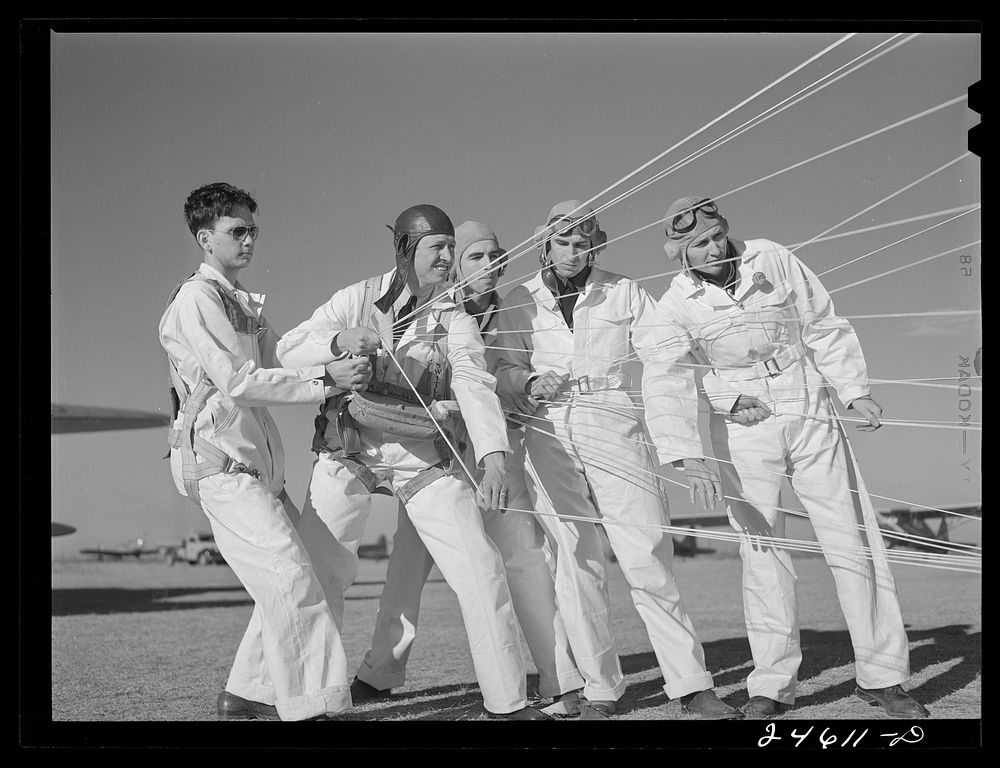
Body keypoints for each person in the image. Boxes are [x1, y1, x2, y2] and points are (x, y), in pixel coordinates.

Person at [656, 195, 929, 720]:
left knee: (850, 538)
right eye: (698, 245)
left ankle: (883, 677)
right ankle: (773, 685)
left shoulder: (771, 256)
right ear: (679, 254)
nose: (714, 249)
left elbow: (822, 320)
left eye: (716, 236)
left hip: (809, 404)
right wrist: (725, 402)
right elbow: (670, 374)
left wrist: (854, 390)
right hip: (742, 426)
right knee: (761, 552)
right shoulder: (673, 305)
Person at [276, 204, 550, 720]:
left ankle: (509, 704)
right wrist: (337, 342)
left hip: (422, 458)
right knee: (322, 572)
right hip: (350, 449)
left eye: (452, 247)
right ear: (404, 248)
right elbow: (289, 347)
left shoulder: (454, 316)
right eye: (437, 248)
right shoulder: (354, 298)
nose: (449, 258)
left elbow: (473, 380)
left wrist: (493, 457)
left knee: (481, 566)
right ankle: (284, 697)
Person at [493, 200, 740, 719]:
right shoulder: (518, 299)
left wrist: (681, 450)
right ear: (545, 244)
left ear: (596, 245)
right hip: (548, 429)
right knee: (575, 558)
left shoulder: (624, 290)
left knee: (646, 552)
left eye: (583, 242)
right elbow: (502, 366)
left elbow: (665, 355)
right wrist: (530, 381)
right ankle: (601, 687)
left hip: (615, 420)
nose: (573, 251)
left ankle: (692, 685)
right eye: (563, 242)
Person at [349, 221, 586, 717]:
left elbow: (499, 372)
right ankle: (379, 673)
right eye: (475, 257)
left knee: (521, 558)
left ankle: (557, 676)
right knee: (407, 570)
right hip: (432, 459)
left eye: (496, 255)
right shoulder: (432, 314)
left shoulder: (514, 311)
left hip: (493, 456)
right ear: (455, 267)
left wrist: (519, 390)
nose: (490, 265)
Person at [159, 182, 356, 721]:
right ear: (205, 238)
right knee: (292, 577)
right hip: (221, 466)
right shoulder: (197, 301)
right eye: (236, 231)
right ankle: (311, 707)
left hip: (258, 469)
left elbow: (282, 362)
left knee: (312, 566)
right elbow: (241, 381)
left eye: (253, 230)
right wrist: (325, 381)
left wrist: (340, 352)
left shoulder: (241, 302)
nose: (249, 240)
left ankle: (246, 692)